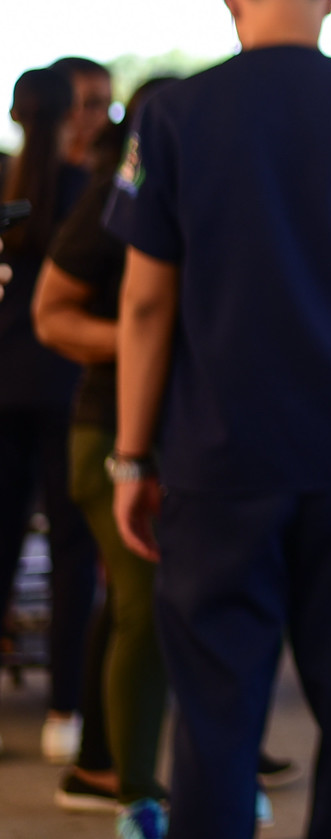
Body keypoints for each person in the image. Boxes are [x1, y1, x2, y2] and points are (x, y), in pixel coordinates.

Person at [106, 0, 331, 839]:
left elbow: (142, 303)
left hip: (217, 460)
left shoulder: (170, 119)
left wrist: (133, 458)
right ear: (329, 0)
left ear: (230, 0)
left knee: (215, 716)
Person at [35, 78, 177, 825]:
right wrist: (149, 342)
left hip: (168, 435)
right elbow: (50, 315)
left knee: (130, 606)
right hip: (106, 433)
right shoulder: (115, 197)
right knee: (143, 606)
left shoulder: (192, 195)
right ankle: (134, 791)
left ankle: (99, 762)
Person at [0, 65, 98, 767]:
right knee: (74, 558)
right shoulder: (88, 192)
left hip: (3, 389)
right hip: (69, 387)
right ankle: (65, 709)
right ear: (70, 115)